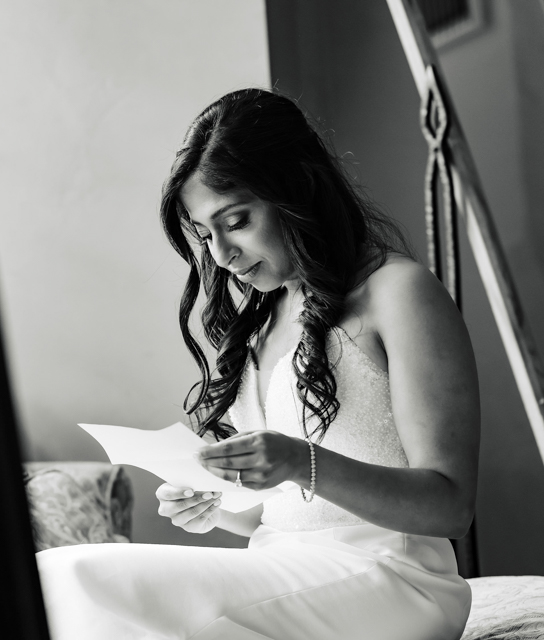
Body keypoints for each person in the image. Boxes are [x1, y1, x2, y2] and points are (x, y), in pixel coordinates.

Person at [35, 88, 479, 640]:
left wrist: (301, 460)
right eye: (205, 234)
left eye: (236, 221)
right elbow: (281, 514)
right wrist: (215, 506)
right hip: (288, 565)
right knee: (55, 578)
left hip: (393, 579)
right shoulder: (265, 320)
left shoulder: (400, 293)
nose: (220, 254)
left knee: (71, 575)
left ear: (297, 189)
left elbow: (450, 506)